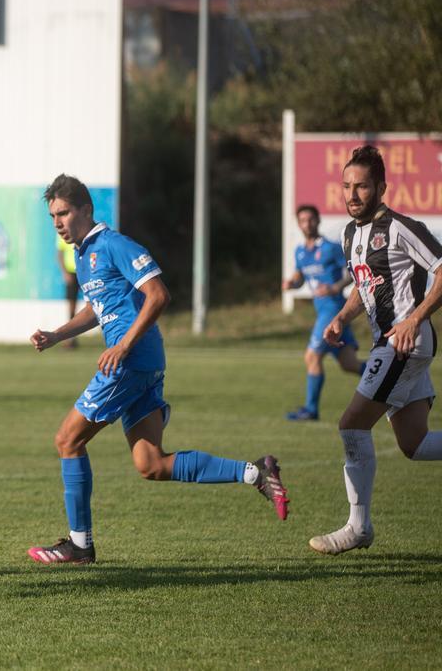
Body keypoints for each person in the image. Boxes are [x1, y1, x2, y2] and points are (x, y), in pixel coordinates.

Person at [27, 174, 290, 565]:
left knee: (68, 440)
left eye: (64, 213)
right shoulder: (83, 254)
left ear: (86, 209)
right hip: (143, 362)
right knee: (150, 464)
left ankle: (80, 545)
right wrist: (57, 334)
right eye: (53, 217)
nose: (58, 223)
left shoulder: (114, 244)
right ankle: (256, 473)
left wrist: (124, 344)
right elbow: (96, 310)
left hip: (131, 362)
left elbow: (159, 294)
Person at [310, 145, 442, 555]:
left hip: (403, 344)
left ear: (381, 188)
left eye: (362, 186)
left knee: (351, 425)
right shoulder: (350, 234)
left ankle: (358, 527)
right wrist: (341, 318)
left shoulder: (402, 227)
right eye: (347, 186)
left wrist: (414, 318)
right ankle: (359, 525)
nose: (352, 194)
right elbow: (363, 286)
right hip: (394, 343)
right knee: (414, 444)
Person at [282, 204, 365, 421]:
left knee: (312, 356)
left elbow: (351, 274)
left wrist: (335, 288)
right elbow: (301, 277)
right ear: (299, 224)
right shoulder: (300, 251)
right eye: (303, 220)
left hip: (333, 309)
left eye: (311, 219)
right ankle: (393, 381)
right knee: (350, 365)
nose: (307, 224)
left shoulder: (331, 247)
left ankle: (310, 410)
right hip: (326, 312)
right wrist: (292, 283)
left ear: (318, 221)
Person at [56, 232, 79, 348]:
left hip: (84, 271)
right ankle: (70, 338)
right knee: (71, 308)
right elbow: (60, 253)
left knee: (95, 304)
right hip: (71, 272)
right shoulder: (63, 233)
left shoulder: (82, 231)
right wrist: (65, 272)